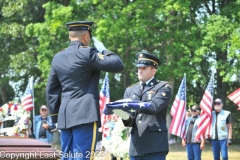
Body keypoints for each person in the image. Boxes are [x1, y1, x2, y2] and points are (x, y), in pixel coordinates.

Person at [46, 21, 124, 160]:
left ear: (70, 36)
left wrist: (55, 118)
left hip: (65, 117)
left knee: (67, 157)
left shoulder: (57, 57)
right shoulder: (88, 52)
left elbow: (51, 91)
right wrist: (104, 51)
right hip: (85, 114)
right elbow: (117, 64)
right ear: (86, 37)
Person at [113, 51, 172, 160]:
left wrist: (133, 104)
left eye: (144, 67)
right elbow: (130, 121)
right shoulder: (130, 90)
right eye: (139, 68)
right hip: (136, 146)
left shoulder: (163, 87)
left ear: (153, 70)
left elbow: (154, 107)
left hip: (155, 145)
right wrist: (123, 115)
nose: (140, 70)